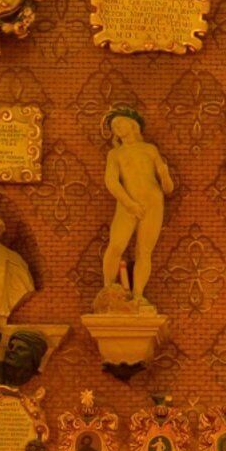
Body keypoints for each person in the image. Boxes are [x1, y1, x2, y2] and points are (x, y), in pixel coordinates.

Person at [96, 110, 170, 306]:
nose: (117, 128)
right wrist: (130, 204)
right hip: (127, 204)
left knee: (144, 251)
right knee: (116, 245)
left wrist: (164, 175)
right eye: (114, 127)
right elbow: (111, 182)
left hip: (153, 203)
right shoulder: (116, 154)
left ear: (132, 124)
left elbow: (168, 188)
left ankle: (138, 295)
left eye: (120, 123)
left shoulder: (150, 149)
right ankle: (108, 289)